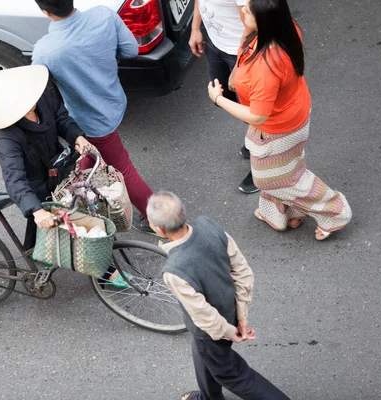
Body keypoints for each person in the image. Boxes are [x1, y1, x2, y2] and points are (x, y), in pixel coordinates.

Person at [207, 0, 352, 241]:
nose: (241, 9)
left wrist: (218, 99)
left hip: (278, 127)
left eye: (247, 10)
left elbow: (257, 115)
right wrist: (236, 69)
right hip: (292, 113)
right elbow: (247, 34)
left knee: (275, 179)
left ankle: (335, 211)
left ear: (263, 21)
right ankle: (280, 212)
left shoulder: (268, 65)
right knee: (286, 169)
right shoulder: (284, 29)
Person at [147, 192, 290, 400]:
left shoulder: (174, 271)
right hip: (229, 311)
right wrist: (241, 318)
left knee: (232, 375)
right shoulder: (208, 225)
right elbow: (241, 271)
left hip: (213, 330)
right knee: (203, 356)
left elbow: (204, 315)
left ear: (158, 229)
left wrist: (231, 333)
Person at [31, 0, 156, 234]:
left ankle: (157, 218)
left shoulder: (45, 51)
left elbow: (39, 91)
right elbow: (130, 49)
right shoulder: (104, 15)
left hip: (90, 121)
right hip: (114, 102)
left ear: (45, 11)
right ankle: (74, 196)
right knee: (87, 158)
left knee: (123, 170)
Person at [0, 65, 93, 250]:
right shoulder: (8, 135)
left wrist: (77, 136)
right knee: (43, 215)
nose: (31, 103)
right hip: (36, 183)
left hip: (59, 168)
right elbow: (14, 179)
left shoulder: (42, 98)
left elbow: (61, 118)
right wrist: (35, 210)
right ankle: (34, 251)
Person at [189, 0, 258, 194]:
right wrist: (196, 28)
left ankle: (262, 168)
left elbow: (253, 27)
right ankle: (255, 139)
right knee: (227, 97)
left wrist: (239, 66)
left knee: (254, 111)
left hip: (239, 53)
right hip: (215, 45)